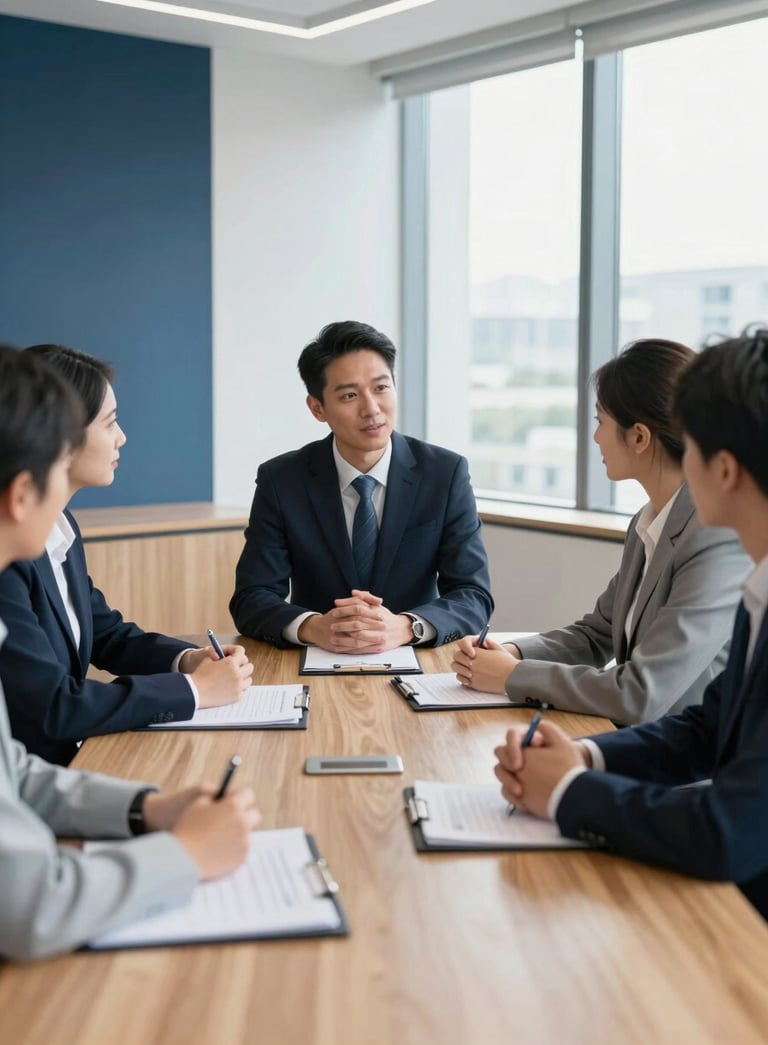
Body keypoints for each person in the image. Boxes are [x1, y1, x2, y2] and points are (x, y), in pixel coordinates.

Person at [494, 328, 768, 918]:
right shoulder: (759, 585)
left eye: (688, 439)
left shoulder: (726, 554)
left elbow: (730, 831)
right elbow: (706, 728)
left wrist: (567, 791)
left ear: (722, 468)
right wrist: (586, 757)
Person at [0, 345, 260, 961]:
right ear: (21, 493)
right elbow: (31, 907)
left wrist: (149, 808)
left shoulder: (57, 534)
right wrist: (188, 855)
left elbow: (13, 773)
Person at [452, 338, 749, 724]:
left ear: (639, 437)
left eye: (600, 421)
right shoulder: (650, 519)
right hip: (636, 744)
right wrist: (513, 654)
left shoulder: (715, 537)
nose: (595, 438)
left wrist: (512, 677)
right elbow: (598, 633)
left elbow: (640, 693)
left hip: (686, 770)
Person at [0, 345, 253, 765]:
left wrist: (187, 661)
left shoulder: (61, 528)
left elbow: (104, 633)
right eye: (110, 423)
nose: (122, 437)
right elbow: (52, 705)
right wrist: (195, 692)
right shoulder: (11, 557)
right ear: (62, 435)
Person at [230, 321, 493, 652]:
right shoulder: (282, 480)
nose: (371, 409)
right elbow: (251, 598)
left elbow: (473, 595)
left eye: (381, 388)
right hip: (319, 658)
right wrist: (313, 627)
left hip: (417, 661)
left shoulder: (445, 473)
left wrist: (406, 626)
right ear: (317, 408)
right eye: (350, 395)